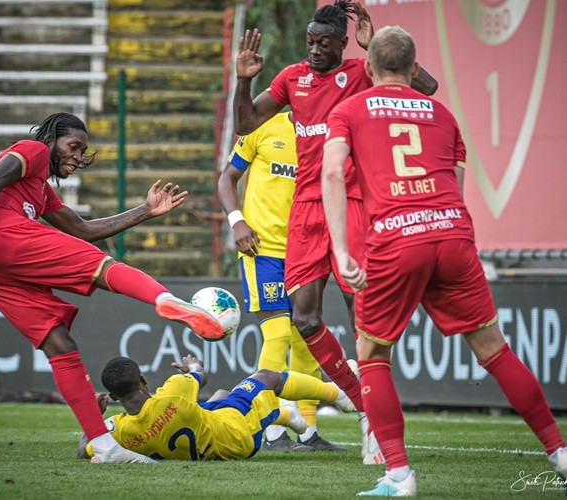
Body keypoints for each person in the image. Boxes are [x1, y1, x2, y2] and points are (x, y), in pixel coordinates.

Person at [322, 25, 567, 497]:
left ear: (368, 68)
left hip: (396, 239)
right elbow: (455, 185)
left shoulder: (350, 109)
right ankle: (559, 451)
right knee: (495, 350)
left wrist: (343, 250)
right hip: (452, 233)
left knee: (372, 354)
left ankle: (399, 476)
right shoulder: (443, 114)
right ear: (415, 69)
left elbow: (332, 172)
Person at [0, 112, 225, 464]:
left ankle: (102, 444)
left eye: (82, 150)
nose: (78, 155)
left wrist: (144, 212)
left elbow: (82, 229)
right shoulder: (34, 149)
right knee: (100, 266)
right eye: (73, 146)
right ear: (51, 139)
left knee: (59, 344)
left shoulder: (39, 190)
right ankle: (164, 299)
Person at [233, 0, 436, 464]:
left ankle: (375, 418)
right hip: (306, 210)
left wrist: (373, 47)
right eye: (310, 42)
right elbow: (245, 123)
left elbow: (426, 88)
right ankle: (362, 403)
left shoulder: (362, 72)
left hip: (351, 204)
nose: (315, 50)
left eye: (325, 43)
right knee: (304, 319)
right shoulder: (292, 78)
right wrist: (244, 80)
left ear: (343, 44)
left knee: (361, 314)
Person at [217, 111, 347, 452]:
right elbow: (226, 178)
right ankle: (272, 428)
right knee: (277, 335)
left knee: (306, 337)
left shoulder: (331, 134)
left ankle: (308, 430)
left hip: (306, 250)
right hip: (262, 249)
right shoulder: (262, 126)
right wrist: (237, 222)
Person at [77, 354, 357, 461]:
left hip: (206, 432)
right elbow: (201, 374)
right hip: (236, 436)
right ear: (142, 380)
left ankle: (286, 415)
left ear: (113, 397)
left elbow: (84, 450)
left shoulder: (119, 431)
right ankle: (338, 395)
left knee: (221, 396)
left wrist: (94, 417)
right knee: (265, 377)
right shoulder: (173, 391)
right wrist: (192, 365)